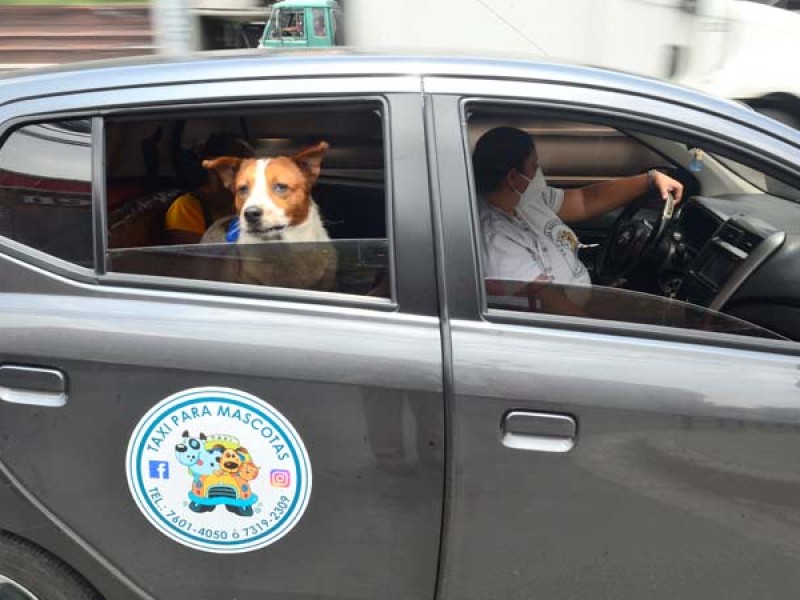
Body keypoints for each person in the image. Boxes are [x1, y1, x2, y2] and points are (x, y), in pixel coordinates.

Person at [472, 126, 684, 286]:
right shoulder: (496, 240)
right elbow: (550, 306)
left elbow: (584, 200)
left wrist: (650, 180)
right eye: (534, 167)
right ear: (512, 178)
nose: (539, 172)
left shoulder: (527, 200)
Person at [164, 133, 253, 245]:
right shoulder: (186, 207)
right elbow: (190, 258)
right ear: (213, 167)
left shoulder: (247, 203)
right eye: (236, 169)